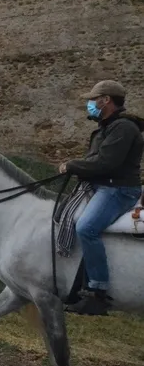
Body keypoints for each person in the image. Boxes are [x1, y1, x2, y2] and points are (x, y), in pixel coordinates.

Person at [60, 80, 144, 316]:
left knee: (86, 228)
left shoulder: (123, 128)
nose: (90, 104)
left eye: (93, 99)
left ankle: (98, 291)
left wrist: (72, 165)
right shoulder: (108, 127)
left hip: (118, 189)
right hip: (102, 186)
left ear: (105, 100)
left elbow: (106, 163)